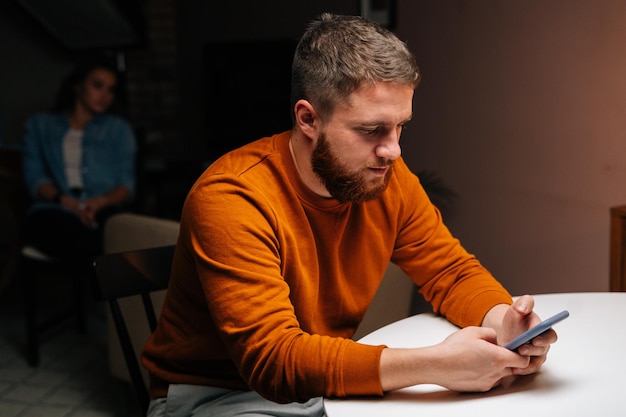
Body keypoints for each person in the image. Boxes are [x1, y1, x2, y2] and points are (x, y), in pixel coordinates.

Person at [142, 13, 557, 417]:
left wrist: (504, 321)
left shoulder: (386, 179)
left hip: (320, 388)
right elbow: (273, 361)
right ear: (308, 119)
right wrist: (437, 365)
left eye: (400, 128)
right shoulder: (232, 197)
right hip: (214, 398)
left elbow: (450, 271)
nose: (393, 150)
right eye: (371, 130)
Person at [21, 54, 136, 260]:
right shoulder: (41, 126)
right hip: (57, 208)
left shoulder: (119, 130)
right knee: (52, 226)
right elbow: (35, 177)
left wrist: (100, 202)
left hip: (103, 208)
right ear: (78, 85)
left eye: (110, 89)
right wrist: (68, 203)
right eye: (97, 85)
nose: (104, 95)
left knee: (112, 230)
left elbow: (126, 183)